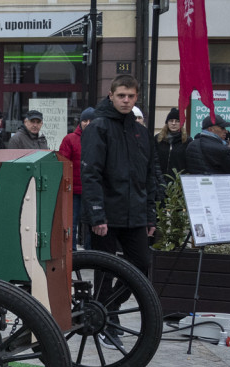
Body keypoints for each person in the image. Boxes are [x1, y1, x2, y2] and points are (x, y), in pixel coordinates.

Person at [81, 75, 160, 346]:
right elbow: (90, 174)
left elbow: (149, 176)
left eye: (131, 96)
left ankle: (109, 308)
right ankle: (102, 321)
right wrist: (96, 214)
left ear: (137, 98)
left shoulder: (140, 132)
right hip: (106, 212)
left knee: (141, 266)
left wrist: (150, 215)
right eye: (121, 96)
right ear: (111, 95)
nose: (126, 100)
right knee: (105, 270)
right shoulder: (98, 126)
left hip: (136, 213)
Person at [58, 107, 95, 250]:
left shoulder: (99, 138)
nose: (87, 123)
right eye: (85, 120)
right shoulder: (70, 139)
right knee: (71, 224)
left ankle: (91, 252)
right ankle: (71, 253)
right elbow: (63, 163)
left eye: (91, 120)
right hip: (73, 190)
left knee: (93, 224)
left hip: (91, 190)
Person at [154, 108, 191, 182]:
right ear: (167, 122)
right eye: (171, 121)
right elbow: (154, 160)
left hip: (178, 183)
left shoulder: (187, 141)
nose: (173, 123)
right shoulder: (158, 139)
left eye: (177, 121)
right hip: (159, 181)